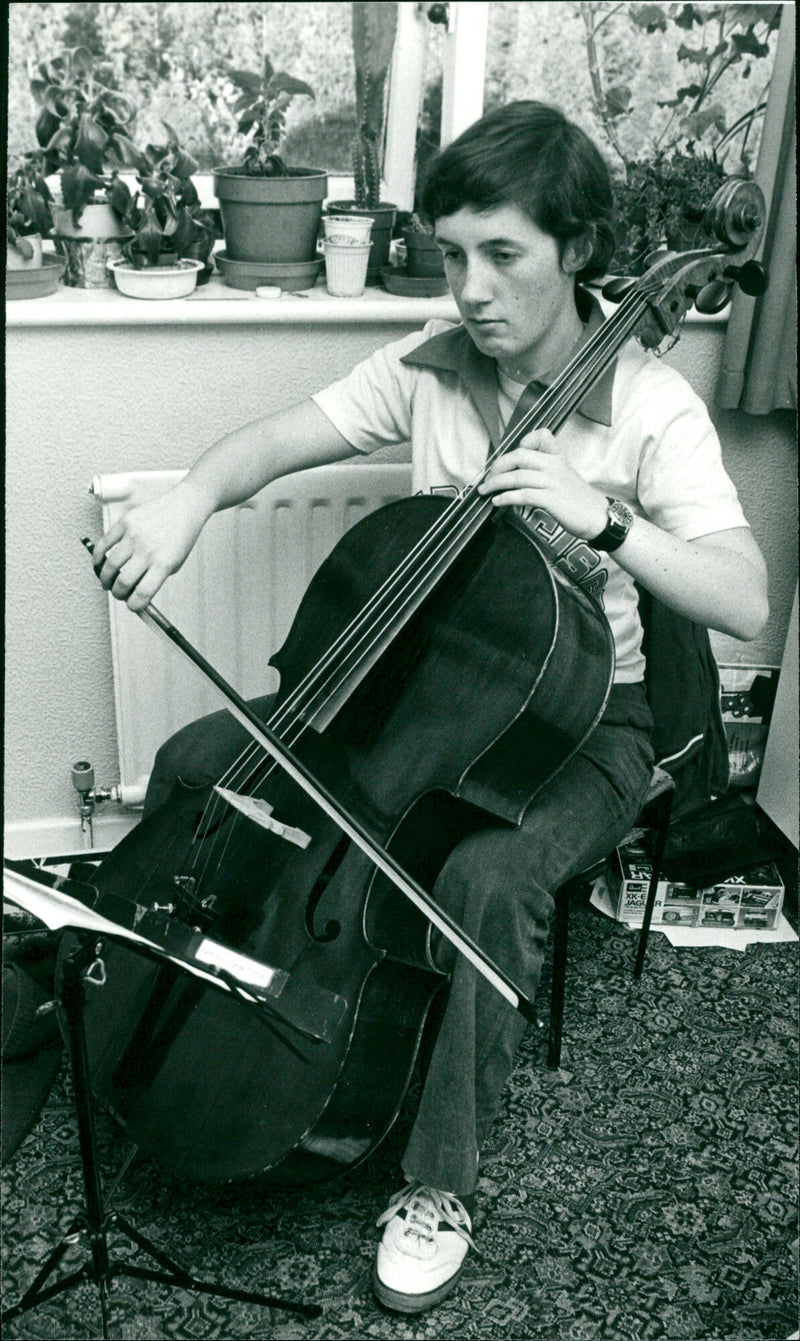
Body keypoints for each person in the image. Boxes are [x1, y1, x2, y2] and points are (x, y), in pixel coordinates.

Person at [92, 102, 768, 1314]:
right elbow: (275, 442)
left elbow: (744, 598)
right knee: (201, 760)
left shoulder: (653, 407)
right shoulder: (429, 364)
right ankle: (175, 999)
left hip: (579, 731)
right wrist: (187, 503)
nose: (469, 288)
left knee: (481, 882)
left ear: (574, 247)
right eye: (451, 254)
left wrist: (606, 516)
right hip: (405, 696)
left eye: (499, 254)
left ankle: (436, 1179)